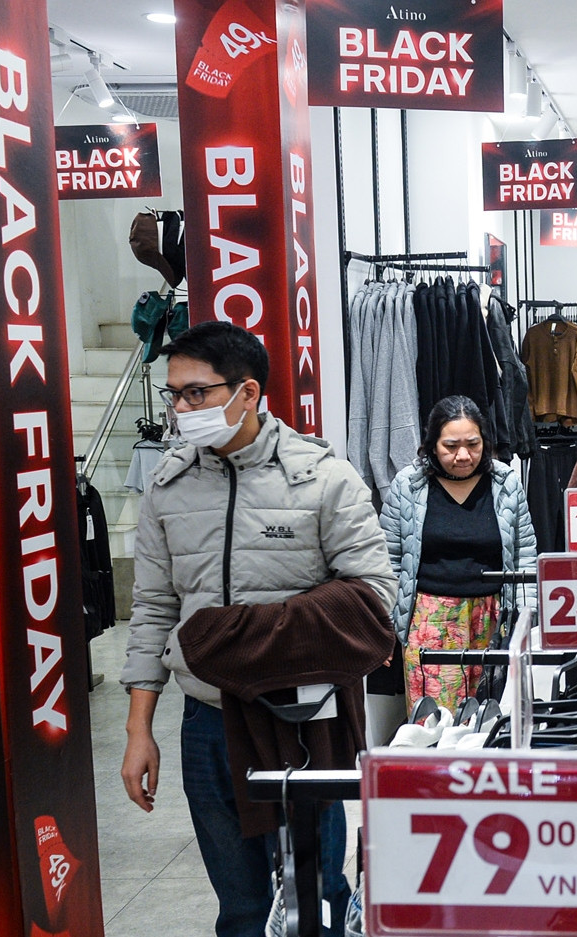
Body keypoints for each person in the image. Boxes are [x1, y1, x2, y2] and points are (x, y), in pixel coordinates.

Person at [119, 321, 395, 937]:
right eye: (173, 394)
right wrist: (139, 730)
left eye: (197, 393)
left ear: (248, 392)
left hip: (300, 716)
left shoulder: (323, 478)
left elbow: (376, 600)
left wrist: (247, 635)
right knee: (240, 905)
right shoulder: (168, 486)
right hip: (207, 717)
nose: (181, 409)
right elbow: (154, 608)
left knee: (315, 894)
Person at [380, 395, 537, 714]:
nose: (463, 455)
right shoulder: (408, 486)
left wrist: (526, 621)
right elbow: (388, 561)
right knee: (434, 724)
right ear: (432, 445)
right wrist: (384, 624)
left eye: (473, 444)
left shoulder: (505, 483)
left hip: (494, 620)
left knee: (492, 718)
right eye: (450, 446)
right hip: (430, 621)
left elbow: (525, 556)